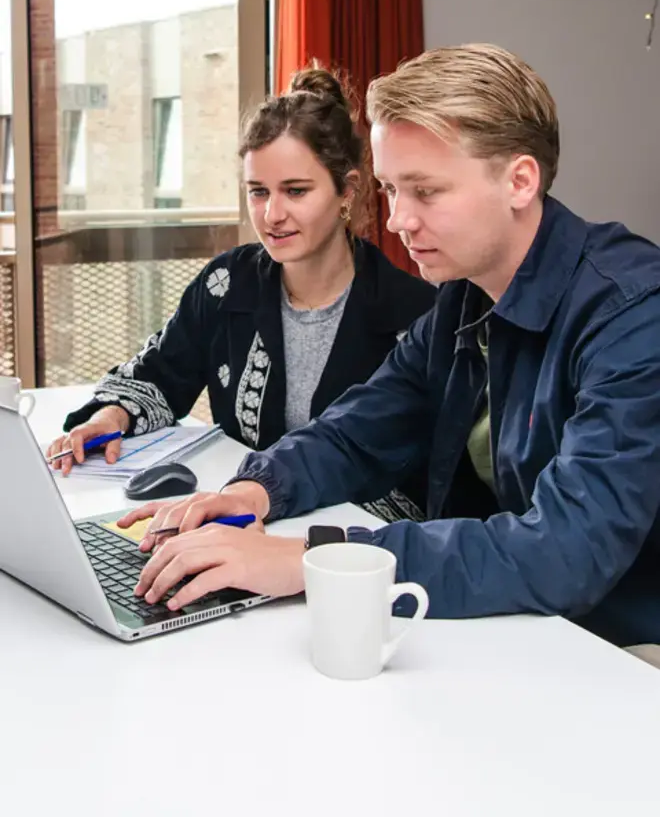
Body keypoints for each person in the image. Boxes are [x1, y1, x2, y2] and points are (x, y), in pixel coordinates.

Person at [116, 43, 660, 650]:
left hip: (625, 650)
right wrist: (252, 490)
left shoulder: (632, 315)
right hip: (531, 625)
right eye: (392, 190)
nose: (398, 220)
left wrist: (309, 562)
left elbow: (568, 549)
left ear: (520, 181)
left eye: (425, 192)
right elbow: (357, 429)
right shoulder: (466, 296)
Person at [47, 67, 435, 522]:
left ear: (346, 192)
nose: (272, 214)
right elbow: (158, 372)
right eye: (258, 192)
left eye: (295, 191)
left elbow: (416, 485)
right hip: (238, 521)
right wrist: (109, 418)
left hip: (349, 549)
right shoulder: (227, 283)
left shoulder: (415, 315)